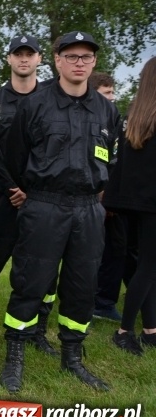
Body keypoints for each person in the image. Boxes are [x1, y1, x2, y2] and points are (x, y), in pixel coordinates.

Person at [0, 32, 119, 392]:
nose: (79, 63)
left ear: (94, 62)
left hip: (88, 209)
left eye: (86, 57)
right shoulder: (36, 104)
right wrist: (34, 191)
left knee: (82, 285)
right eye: (71, 56)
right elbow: (14, 156)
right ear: (57, 60)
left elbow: (111, 157)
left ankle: (73, 357)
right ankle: (14, 357)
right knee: (31, 282)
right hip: (44, 206)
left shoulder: (106, 109)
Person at [0, 35, 58, 356]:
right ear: (8, 59)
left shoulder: (52, 100)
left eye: (29, 54)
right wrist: (12, 187)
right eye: (18, 54)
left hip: (43, 199)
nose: (24, 59)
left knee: (44, 269)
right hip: (2, 198)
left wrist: (32, 190)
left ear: (39, 59)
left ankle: (37, 330)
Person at [104, 57, 156, 355]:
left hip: (135, 202)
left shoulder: (136, 116)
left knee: (147, 265)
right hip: (150, 203)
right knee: (148, 267)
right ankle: (124, 331)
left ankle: (150, 329)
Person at [90, 72, 129, 322]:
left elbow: (116, 159)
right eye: (107, 93)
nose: (112, 98)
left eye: (113, 92)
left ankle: (104, 301)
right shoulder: (88, 119)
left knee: (117, 250)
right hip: (92, 197)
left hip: (113, 196)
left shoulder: (114, 119)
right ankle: (99, 302)